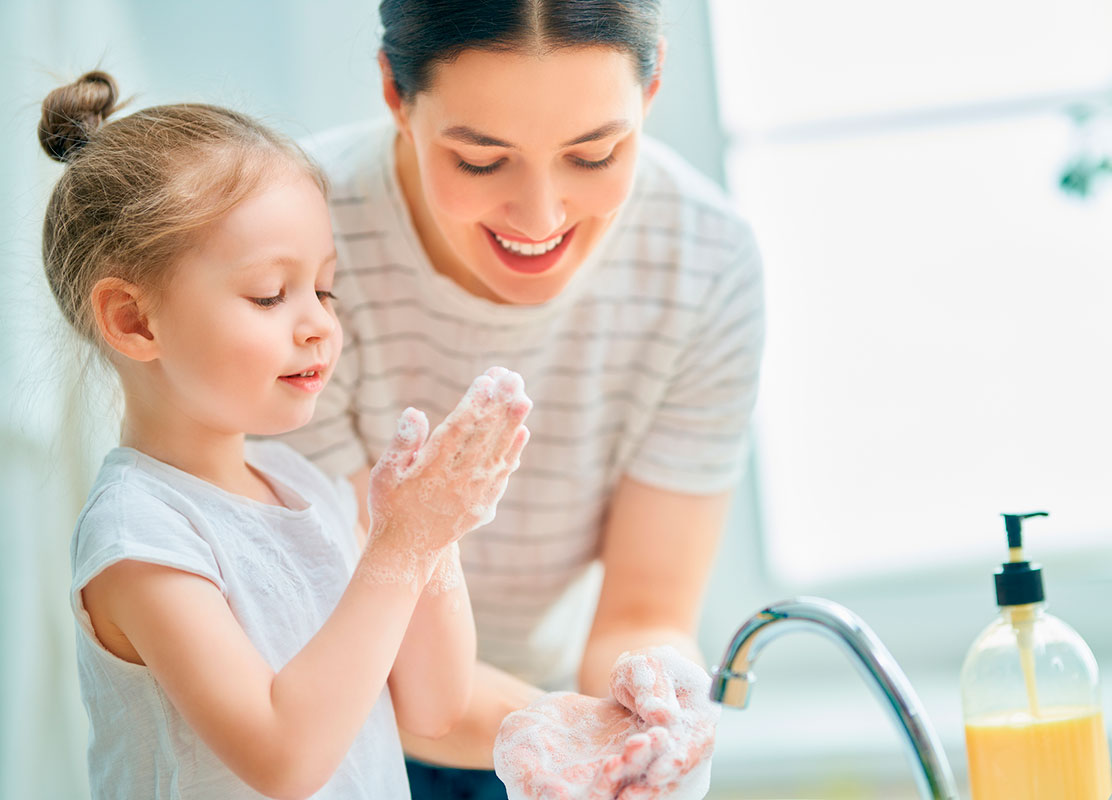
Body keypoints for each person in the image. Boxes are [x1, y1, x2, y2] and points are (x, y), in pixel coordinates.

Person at [274, 1, 766, 796]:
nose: (541, 217)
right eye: (479, 161)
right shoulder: (290, 241)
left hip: (533, 713)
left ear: (653, 88)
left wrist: (648, 721)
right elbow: (347, 632)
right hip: (319, 718)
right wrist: (571, 736)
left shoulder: (705, 264)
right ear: (396, 95)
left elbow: (645, 606)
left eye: (595, 153)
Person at [41, 71, 531, 799]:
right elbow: (284, 759)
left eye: (324, 289)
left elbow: (431, 706)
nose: (319, 324)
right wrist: (398, 548)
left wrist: (433, 536)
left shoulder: (300, 484)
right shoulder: (139, 535)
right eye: (271, 294)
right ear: (134, 321)